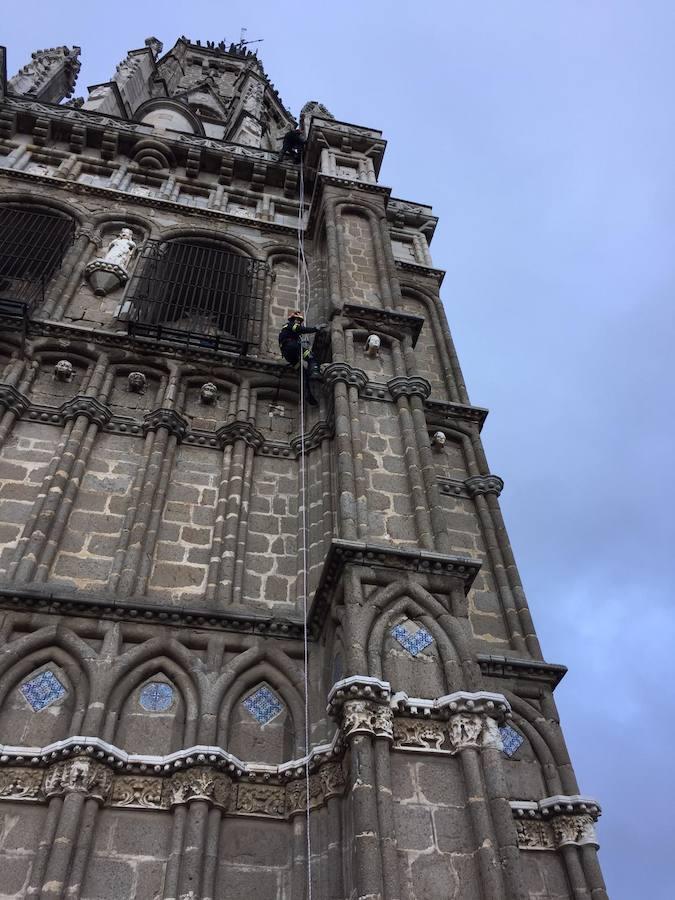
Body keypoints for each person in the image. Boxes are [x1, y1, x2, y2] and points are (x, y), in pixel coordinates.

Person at [278, 311, 323, 405]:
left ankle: (307, 394)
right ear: (292, 320)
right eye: (297, 320)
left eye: (299, 320)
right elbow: (299, 329)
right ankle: (315, 372)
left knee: (303, 372)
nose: (298, 322)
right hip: (292, 347)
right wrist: (315, 329)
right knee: (311, 357)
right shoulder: (289, 325)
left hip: (289, 355)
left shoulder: (290, 332)